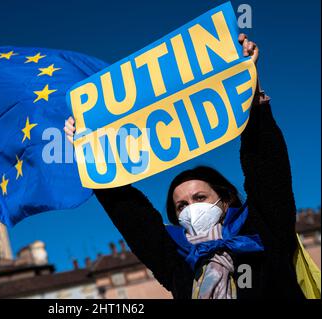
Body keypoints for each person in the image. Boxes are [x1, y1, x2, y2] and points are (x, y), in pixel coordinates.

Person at [64, 34, 305, 299]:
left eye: (200, 197)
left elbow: (267, 169)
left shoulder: (263, 233)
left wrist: (251, 89)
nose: (191, 208)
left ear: (224, 200)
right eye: (182, 206)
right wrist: (91, 152)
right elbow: (134, 219)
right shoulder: (179, 265)